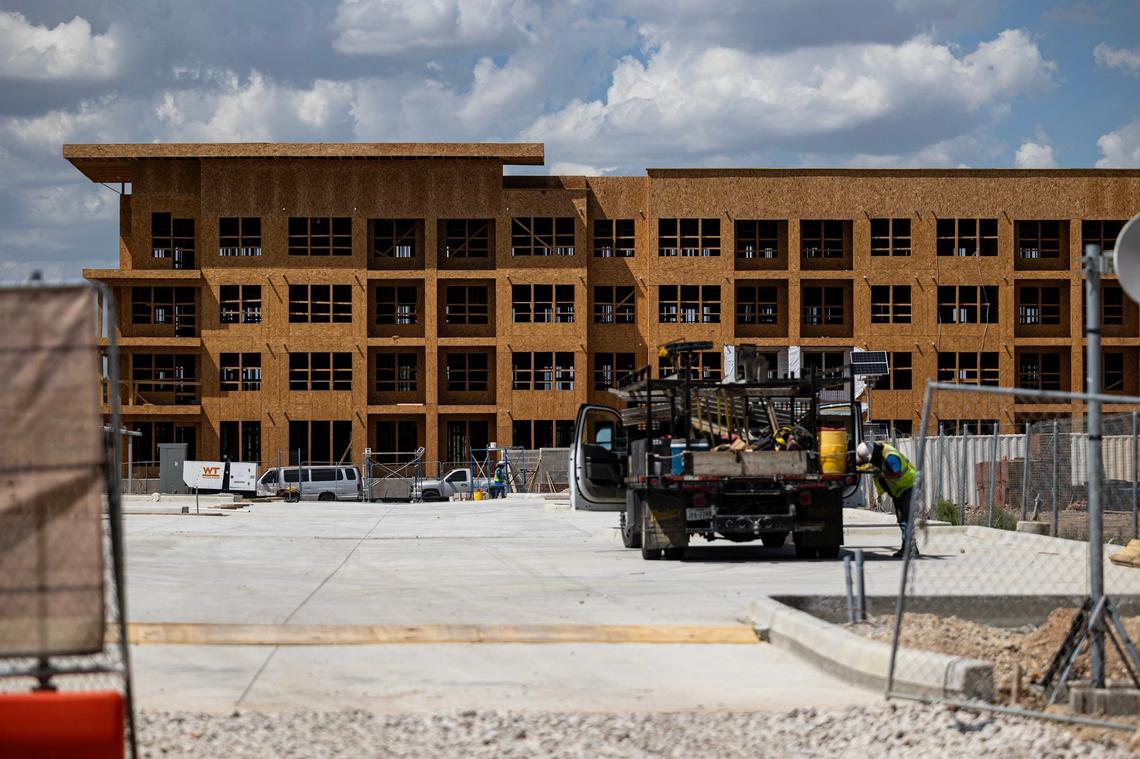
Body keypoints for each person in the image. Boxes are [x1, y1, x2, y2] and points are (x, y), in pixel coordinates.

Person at [856, 441, 918, 558]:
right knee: (903, 519)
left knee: (905, 520)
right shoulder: (879, 454)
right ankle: (911, 547)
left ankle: (909, 549)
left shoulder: (891, 457)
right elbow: (874, 464)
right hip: (899, 490)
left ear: (874, 453)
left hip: (907, 487)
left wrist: (883, 475)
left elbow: (897, 473)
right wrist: (860, 466)